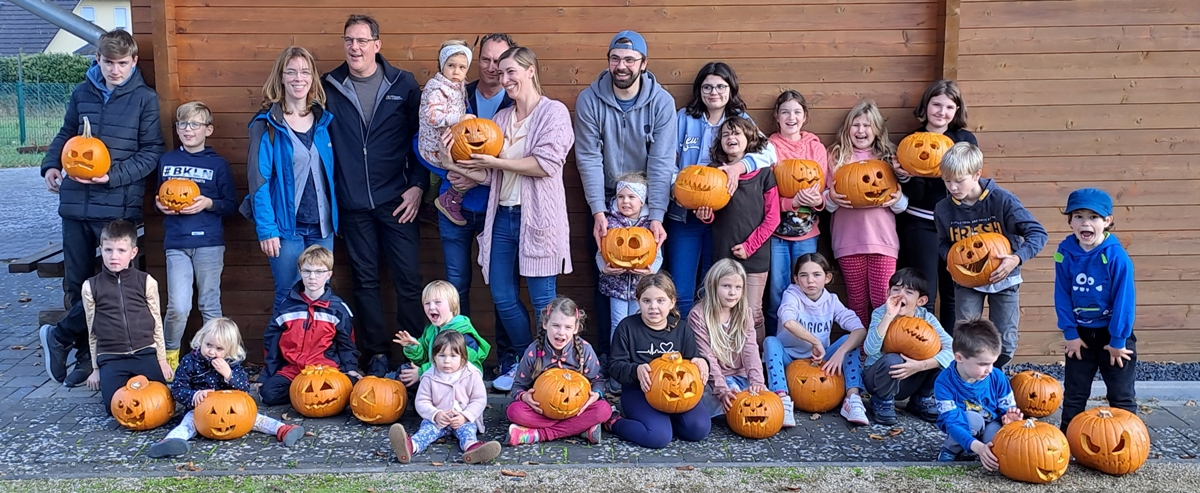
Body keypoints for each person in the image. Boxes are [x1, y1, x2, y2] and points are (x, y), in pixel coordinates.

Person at [40, 29, 166, 388]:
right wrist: (51, 165)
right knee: (78, 284)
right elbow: (65, 134)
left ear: (134, 62)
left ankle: (60, 335)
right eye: (108, 62)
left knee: (113, 284)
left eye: (122, 63)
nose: (115, 70)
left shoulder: (144, 99)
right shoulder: (82, 93)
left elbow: (151, 153)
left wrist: (111, 176)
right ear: (98, 60)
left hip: (116, 206)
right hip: (74, 204)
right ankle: (83, 354)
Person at [445, 46, 574, 392]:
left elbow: (545, 164)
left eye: (511, 72)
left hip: (540, 220)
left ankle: (553, 367)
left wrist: (494, 164)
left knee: (544, 302)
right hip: (502, 216)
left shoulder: (554, 114)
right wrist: (463, 170)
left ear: (530, 70)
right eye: (500, 74)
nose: (504, 79)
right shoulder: (501, 119)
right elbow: (494, 175)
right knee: (502, 295)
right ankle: (526, 361)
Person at [322, 14, 427, 377]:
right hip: (353, 204)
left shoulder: (403, 84)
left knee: (408, 280)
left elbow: (422, 141)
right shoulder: (329, 86)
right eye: (349, 40)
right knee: (364, 282)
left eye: (363, 41)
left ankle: (414, 352)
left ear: (377, 45)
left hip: (398, 201)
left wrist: (417, 186)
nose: (355, 47)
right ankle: (377, 353)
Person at [574, 30, 678, 351]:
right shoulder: (590, 100)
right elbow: (588, 156)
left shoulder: (661, 102)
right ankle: (609, 357)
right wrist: (598, 211)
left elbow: (662, 161)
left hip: (648, 197)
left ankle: (649, 352)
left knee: (650, 274)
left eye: (630, 60)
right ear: (608, 61)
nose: (622, 66)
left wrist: (657, 215)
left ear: (644, 64)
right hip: (606, 196)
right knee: (607, 275)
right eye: (616, 58)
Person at [666, 62, 776, 319]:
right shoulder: (684, 118)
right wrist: (676, 191)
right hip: (685, 216)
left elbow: (769, 153)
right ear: (698, 90)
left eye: (720, 86)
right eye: (707, 86)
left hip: (724, 219)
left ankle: (707, 346)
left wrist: (740, 166)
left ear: (730, 89)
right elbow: (666, 158)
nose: (713, 92)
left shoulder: (740, 121)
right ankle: (682, 346)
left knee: (712, 287)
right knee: (682, 289)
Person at [423, 33, 516, 322]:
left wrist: (476, 177)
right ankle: (454, 352)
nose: (490, 67)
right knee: (456, 286)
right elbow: (422, 139)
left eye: (498, 61)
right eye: (485, 59)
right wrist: (448, 173)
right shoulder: (456, 94)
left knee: (503, 289)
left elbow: (517, 159)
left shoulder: (516, 104)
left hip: (497, 209)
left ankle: (507, 359)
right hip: (454, 210)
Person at [935, 143, 1048, 369]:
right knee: (965, 337)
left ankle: (993, 375)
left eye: (959, 181)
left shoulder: (1003, 201)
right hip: (966, 282)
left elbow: (1038, 233)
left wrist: (1016, 258)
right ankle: (966, 382)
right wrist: (951, 259)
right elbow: (943, 242)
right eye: (947, 181)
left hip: (1004, 278)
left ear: (977, 174)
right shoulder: (943, 209)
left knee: (1005, 342)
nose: (953, 187)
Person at [242, 46, 337, 312]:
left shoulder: (323, 121)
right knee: (288, 293)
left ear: (312, 78)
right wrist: (266, 229)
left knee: (320, 293)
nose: (299, 78)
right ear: (281, 78)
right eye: (291, 72)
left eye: (305, 72)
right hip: (285, 229)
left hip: (322, 226)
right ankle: (281, 354)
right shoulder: (267, 124)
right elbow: (258, 180)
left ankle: (317, 354)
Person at [154, 101, 237, 370]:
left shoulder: (218, 164)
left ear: (208, 130)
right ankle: (169, 357)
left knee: (209, 303)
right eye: (182, 124)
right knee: (178, 305)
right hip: (177, 243)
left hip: (209, 243)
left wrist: (208, 203)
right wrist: (160, 206)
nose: (187, 130)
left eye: (194, 124)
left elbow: (231, 204)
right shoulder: (167, 160)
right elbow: (158, 198)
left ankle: (217, 359)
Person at [146, 318, 304, 458]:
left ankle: (283, 430)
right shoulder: (190, 362)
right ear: (201, 340)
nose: (212, 352)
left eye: (219, 349)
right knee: (188, 424)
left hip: (233, 410)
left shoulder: (231, 364)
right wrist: (193, 396)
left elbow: (243, 388)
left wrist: (228, 374)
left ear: (229, 351)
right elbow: (177, 388)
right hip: (201, 410)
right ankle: (171, 442)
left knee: (257, 418)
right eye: (208, 345)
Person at [897, 80, 978, 329]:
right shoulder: (912, 141)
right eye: (936, 105)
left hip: (957, 226)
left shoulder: (964, 139)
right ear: (926, 106)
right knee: (926, 292)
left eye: (949, 107)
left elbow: (969, 181)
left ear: (957, 110)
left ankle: (953, 351)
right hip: (921, 226)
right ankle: (925, 348)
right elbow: (917, 195)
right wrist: (906, 177)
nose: (941, 112)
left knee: (954, 292)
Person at [1055, 188, 1137, 432]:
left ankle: (1127, 441)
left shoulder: (1115, 256)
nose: (1085, 223)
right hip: (1080, 336)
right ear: (1070, 221)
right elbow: (1062, 294)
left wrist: (1118, 339)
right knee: (1074, 396)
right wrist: (1070, 333)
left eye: (1093, 217)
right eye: (1078, 216)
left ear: (1107, 221)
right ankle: (1066, 445)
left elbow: (1125, 299)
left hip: (1114, 338)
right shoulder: (1065, 253)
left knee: (1121, 396)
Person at [693, 117, 779, 345]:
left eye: (737, 133)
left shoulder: (764, 174)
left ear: (750, 139)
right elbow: (711, 214)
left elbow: (773, 218)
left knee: (752, 313)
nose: (731, 138)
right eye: (726, 135)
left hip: (755, 255)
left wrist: (750, 247)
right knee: (724, 312)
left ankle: (757, 362)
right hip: (724, 252)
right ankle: (729, 361)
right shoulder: (713, 172)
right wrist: (705, 215)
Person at [825, 100, 908, 328]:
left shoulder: (889, 158)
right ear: (847, 128)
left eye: (867, 125)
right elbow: (824, 202)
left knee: (884, 301)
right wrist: (830, 199)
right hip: (848, 241)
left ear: (877, 129)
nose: (861, 131)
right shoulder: (835, 157)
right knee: (857, 303)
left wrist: (899, 200)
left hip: (882, 241)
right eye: (856, 125)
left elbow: (901, 206)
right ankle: (860, 356)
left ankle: (881, 353)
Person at [605, 273, 712, 449]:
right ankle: (614, 422)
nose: (653, 307)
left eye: (660, 301)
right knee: (658, 438)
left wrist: (701, 362)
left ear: (672, 302)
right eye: (647, 301)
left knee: (698, 429)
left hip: (678, 393)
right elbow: (615, 366)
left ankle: (666, 421)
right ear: (638, 301)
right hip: (639, 393)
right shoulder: (627, 327)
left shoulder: (682, 329)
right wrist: (635, 370)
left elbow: (693, 359)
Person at [764, 253, 867, 426]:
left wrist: (840, 352)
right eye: (804, 275)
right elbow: (789, 321)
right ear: (796, 279)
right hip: (790, 361)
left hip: (820, 362)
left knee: (849, 343)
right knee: (770, 342)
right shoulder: (792, 295)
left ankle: (852, 398)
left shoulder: (831, 300)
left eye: (816, 275)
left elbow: (859, 329)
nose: (810, 280)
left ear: (827, 277)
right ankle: (781, 399)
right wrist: (816, 341)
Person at [80, 220, 173, 412]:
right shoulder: (91, 286)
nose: (114, 256)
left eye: (121, 251)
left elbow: (156, 322)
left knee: (160, 404)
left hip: (144, 352)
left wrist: (162, 360)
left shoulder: (146, 281)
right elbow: (92, 329)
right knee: (114, 407)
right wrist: (95, 369)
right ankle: (114, 379)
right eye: (108, 250)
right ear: (101, 249)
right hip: (112, 356)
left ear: (133, 252)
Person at [259, 245, 362, 407]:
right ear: (300, 272)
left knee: (351, 386)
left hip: (326, 370)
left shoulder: (338, 309)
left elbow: (347, 344)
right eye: (307, 271)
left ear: (329, 274)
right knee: (268, 394)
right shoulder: (286, 307)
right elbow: (271, 344)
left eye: (319, 272)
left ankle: (312, 395)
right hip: (293, 370)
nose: (312, 277)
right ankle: (307, 396)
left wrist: (350, 368)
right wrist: (266, 375)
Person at [765, 90, 829, 335]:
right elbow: (766, 192)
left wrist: (816, 200)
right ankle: (776, 344)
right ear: (777, 117)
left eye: (797, 112)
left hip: (807, 233)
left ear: (804, 117)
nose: (791, 117)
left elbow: (824, 188)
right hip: (776, 233)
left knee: (807, 287)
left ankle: (805, 342)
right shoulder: (769, 148)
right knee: (777, 292)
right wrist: (791, 202)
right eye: (785, 112)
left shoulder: (815, 147)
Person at [507, 297, 611, 446]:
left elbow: (598, 381)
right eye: (556, 325)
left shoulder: (585, 350)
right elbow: (517, 387)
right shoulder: (533, 352)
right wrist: (524, 397)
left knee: (603, 410)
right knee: (514, 411)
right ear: (545, 324)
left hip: (577, 409)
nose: (561, 333)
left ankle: (537, 434)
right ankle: (579, 428)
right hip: (542, 410)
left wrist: (597, 394)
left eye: (568, 327)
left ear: (575, 328)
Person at [388, 331, 502, 464]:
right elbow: (421, 401)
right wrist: (435, 414)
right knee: (426, 431)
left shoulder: (472, 374)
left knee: (468, 432)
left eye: (453, 356)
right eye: (441, 355)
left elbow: (479, 399)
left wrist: (465, 416)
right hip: (438, 419)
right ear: (434, 357)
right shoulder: (429, 376)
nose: (447, 361)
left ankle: (473, 449)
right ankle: (410, 446)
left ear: (463, 358)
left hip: (463, 419)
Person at [596, 171, 664, 391]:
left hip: (641, 289)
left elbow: (657, 252)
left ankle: (637, 370)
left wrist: (651, 271)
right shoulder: (609, 222)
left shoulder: (649, 225)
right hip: (616, 288)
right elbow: (602, 251)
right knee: (618, 327)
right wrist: (603, 268)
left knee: (638, 327)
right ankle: (618, 373)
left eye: (631, 197)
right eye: (621, 197)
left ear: (642, 200)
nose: (625, 201)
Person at [863, 268, 953, 426]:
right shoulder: (880, 313)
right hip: (879, 379)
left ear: (921, 301)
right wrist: (889, 316)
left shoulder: (926, 318)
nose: (900, 295)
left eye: (909, 292)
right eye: (896, 289)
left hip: (911, 378)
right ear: (888, 293)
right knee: (892, 358)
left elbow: (952, 349)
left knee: (943, 360)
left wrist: (920, 365)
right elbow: (870, 349)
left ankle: (921, 399)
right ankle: (882, 401)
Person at [934, 319, 1022, 469]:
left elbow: (1005, 409)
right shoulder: (944, 383)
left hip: (991, 423)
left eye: (992, 363)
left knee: (995, 443)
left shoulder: (997, 377)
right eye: (983, 364)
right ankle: (950, 449)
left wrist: (1009, 420)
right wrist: (978, 447)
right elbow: (953, 422)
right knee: (972, 419)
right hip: (963, 423)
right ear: (959, 358)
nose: (989, 369)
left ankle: (980, 447)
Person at [689, 259, 768, 419]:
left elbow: (750, 351)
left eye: (738, 287)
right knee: (734, 402)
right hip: (714, 381)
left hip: (741, 376)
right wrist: (722, 390)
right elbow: (708, 357)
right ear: (713, 286)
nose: (733, 292)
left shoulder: (744, 313)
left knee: (761, 402)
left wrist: (757, 382)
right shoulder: (698, 316)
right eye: (726, 286)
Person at [418, 39, 474, 226]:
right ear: (442, 66)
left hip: (447, 143)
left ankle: (431, 203)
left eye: (462, 67)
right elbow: (433, 116)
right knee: (465, 171)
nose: (456, 72)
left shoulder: (457, 86)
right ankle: (449, 200)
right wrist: (458, 119)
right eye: (451, 66)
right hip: (434, 146)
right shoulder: (436, 87)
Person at [393, 280, 491, 387]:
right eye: (427, 303)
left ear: (452, 304)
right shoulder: (431, 330)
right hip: (437, 375)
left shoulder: (462, 335)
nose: (431, 307)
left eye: (437, 302)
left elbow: (454, 365)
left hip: (462, 383)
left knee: (415, 377)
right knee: (403, 371)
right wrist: (412, 346)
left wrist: (422, 372)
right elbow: (423, 357)